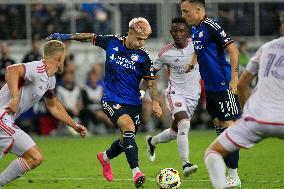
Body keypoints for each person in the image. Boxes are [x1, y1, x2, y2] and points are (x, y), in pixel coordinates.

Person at [47, 17, 162, 188]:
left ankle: (104, 157)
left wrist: (155, 102)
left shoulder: (144, 57)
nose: (141, 43)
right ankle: (136, 172)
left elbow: (151, 82)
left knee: (126, 141)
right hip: (111, 99)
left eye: (144, 40)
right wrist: (65, 36)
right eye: (139, 38)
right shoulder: (112, 42)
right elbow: (89, 37)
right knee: (128, 127)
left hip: (133, 102)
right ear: (129, 32)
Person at [0, 40, 87, 188]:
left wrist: (74, 125)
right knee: (34, 157)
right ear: (60, 57)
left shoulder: (50, 79)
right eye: (64, 57)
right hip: (2, 118)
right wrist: (15, 98)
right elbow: (12, 70)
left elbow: (54, 106)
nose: (64, 61)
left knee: (34, 157)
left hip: (6, 120)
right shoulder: (37, 67)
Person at [204, 29, 284, 189]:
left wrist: (247, 114)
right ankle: (233, 177)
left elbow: (242, 84)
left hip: (256, 118)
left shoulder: (267, 48)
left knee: (212, 154)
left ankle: (224, 184)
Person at [180, 0, 242, 187]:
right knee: (218, 125)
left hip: (223, 84)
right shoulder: (196, 29)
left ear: (198, 10)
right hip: (210, 86)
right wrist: (192, 61)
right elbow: (199, 49)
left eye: (186, 11)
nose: (184, 15)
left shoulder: (212, 26)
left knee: (229, 126)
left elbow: (233, 50)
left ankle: (234, 176)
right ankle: (226, 172)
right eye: (182, 11)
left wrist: (234, 79)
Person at [144, 17, 201, 177]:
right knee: (184, 124)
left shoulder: (196, 44)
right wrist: (145, 94)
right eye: (174, 31)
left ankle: (152, 141)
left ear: (187, 32)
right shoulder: (165, 52)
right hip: (175, 93)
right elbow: (150, 74)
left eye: (181, 30)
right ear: (171, 32)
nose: (177, 34)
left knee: (174, 132)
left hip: (193, 96)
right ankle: (186, 164)